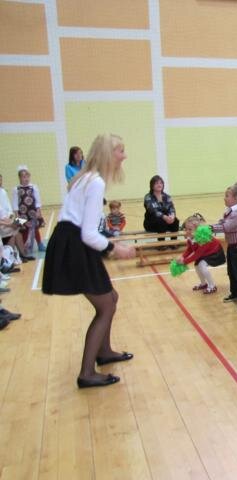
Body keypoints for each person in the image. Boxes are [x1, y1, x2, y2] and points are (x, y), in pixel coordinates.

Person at [42, 133, 136, 388]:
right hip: (75, 245)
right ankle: (86, 373)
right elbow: (89, 234)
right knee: (105, 307)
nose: (124, 156)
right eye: (120, 151)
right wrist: (116, 249)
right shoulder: (95, 182)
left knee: (111, 297)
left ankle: (104, 352)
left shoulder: (86, 178)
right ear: (108, 154)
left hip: (72, 242)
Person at [213, 184, 237, 310]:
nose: (224, 198)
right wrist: (219, 223)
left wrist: (211, 228)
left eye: (227, 196)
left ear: (235, 198)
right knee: (231, 272)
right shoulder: (230, 211)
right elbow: (224, 222)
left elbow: (227, 227)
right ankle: (235, 293)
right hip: (232, 246)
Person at [177, 214, 225, 295]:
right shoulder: (190, 237)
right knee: (196, 266)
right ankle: (203, 284)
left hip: (215, 252)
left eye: (190, 229)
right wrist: (182, 257)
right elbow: (189, 249)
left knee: (202, 265)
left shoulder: (203, 239)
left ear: (197, 229)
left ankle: (212, 286)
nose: (187, 231)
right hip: (205, 253)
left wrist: (184, 262)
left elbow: (197, 254)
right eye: (186, 229)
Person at [12, 166, 46, 253]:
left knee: (34, 228)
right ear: (20, 178)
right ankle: (25, 247)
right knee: (23, 229)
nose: (26, 179)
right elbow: (15, 202)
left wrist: (38, 210)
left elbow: (38, 199)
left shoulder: (33, 187)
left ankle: (40, 244)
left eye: (27, 176)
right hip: (22, 213)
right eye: (23, 177)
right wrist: (16, 214)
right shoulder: (16, 189)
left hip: (32, 211)